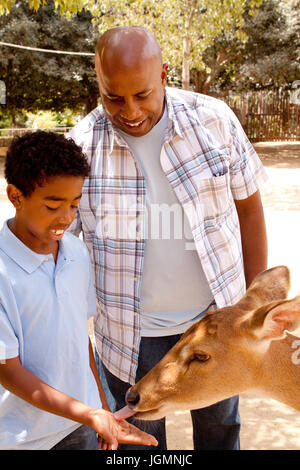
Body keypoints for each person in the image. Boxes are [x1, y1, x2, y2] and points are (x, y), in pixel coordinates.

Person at [68, 26, 268, 450]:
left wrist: (253, 307)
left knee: (220, 432)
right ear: (98, 84)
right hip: (128, 337)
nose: (130, 110)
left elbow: (249, 209)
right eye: (113, 97)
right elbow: (56, 248)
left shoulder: (214, 120)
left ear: (163, 76)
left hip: (214, 324)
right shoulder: (80, 148)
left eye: (142, 94)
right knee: (141, 445)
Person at [0, 130, 158, 450]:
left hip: (79, 425)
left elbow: (79, 338)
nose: (67, 217)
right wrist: (89, 413)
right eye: (53, 205)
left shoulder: (75, 251)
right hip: (22, 438)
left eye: (74, 204)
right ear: (16, 196)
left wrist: (102, 412)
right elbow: (8, 371)